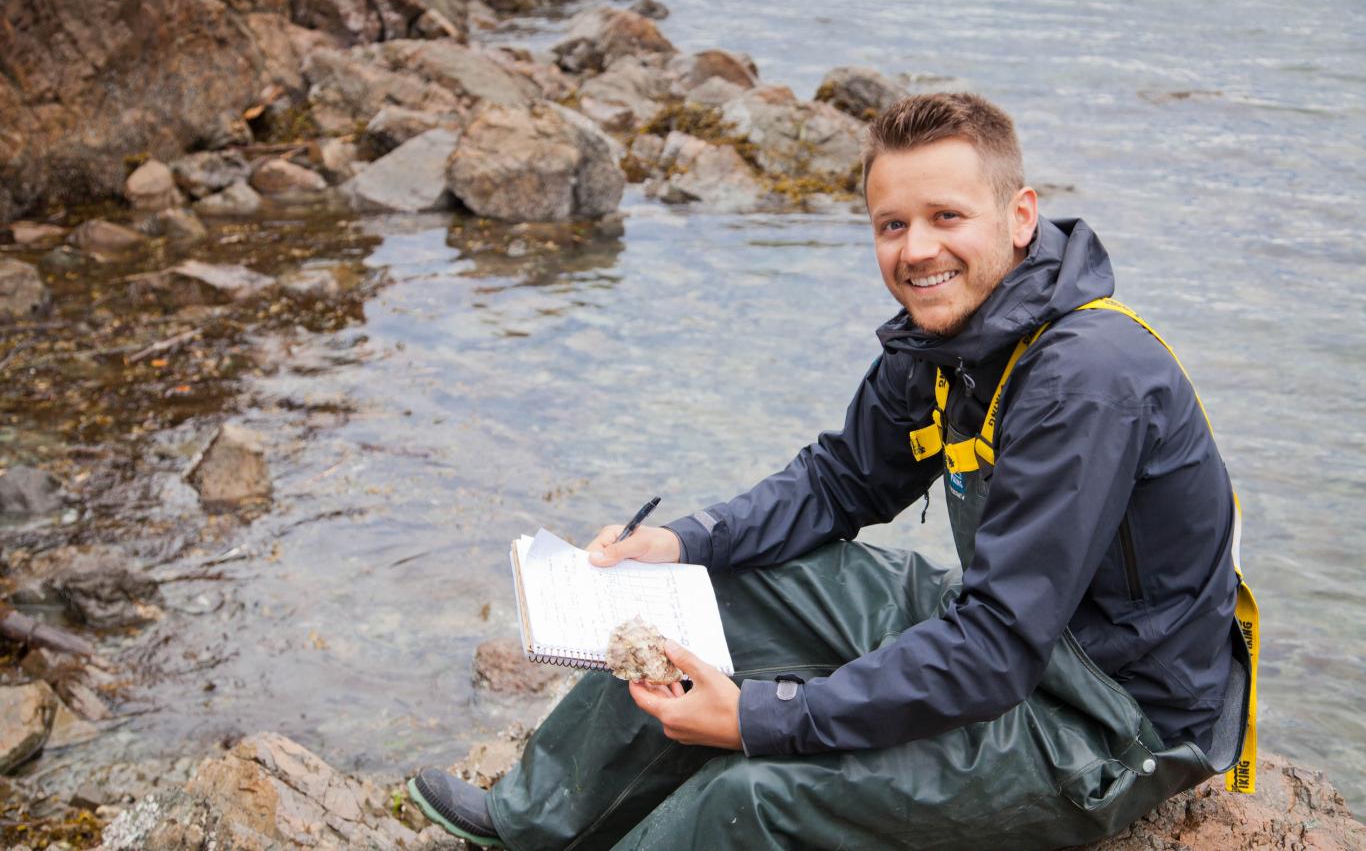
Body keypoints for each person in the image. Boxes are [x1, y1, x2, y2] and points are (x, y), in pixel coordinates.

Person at [408, 92, 1257, 850]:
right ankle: (538, 818)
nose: (917, 250)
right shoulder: (947, 341)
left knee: (756, 793)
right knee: (717, 590)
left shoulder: (1087, 377)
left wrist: (758, 718)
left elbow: (994, 651)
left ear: (1020, 215)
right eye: (892, 225)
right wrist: (678, 543)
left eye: (946, 217)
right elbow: (839, 484)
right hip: (1015, 634)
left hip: (1104, 717)